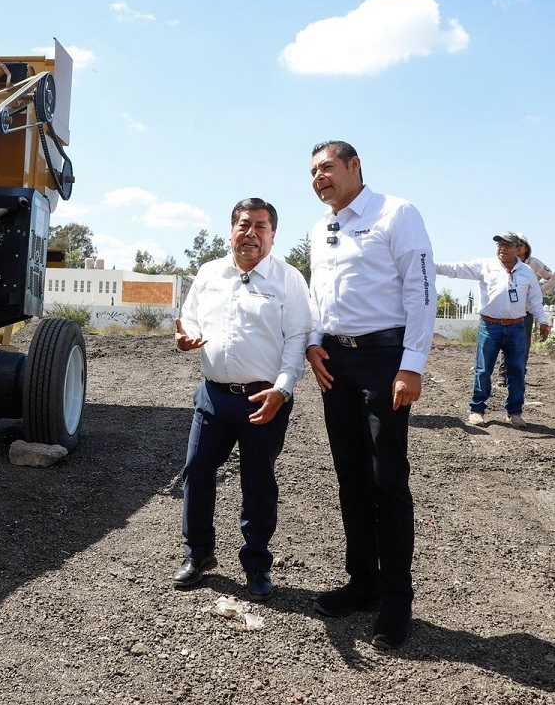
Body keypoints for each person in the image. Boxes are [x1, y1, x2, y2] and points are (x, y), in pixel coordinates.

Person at [305, 140, 435, 651]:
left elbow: (419, 290)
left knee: (387, 480)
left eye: (327, 168)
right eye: (313, 172)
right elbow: (319, 293)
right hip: (336, 361)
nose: (319, 178)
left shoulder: (397, 213)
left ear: (355, 166)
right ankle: (363, 583)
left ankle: (397, 598)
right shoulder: (321, 228)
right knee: (350, 477)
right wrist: (314, 345)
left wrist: (411, 365)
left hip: (385, 361)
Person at [171, 198, 310, 602]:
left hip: (263, 399)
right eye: (244, 225)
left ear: (272, 235)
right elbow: (191, 316)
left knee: (258, 483)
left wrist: (282, 391)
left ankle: (256, 566)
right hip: (213, 397)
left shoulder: (287, 279)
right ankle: (197, 555)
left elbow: (297, 339)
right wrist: (186, 336)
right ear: (231, 230)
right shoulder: (210, 272)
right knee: (196, 472)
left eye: (261, 227)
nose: (251, 233)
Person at [436, 232, 550, 428]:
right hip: (489, 326)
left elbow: (535, 301)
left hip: (516, 327)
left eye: (507, 245)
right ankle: (477, 410)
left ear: (518, 248)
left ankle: (514, 413)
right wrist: (428, 263)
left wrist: (542, 321)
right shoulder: (486, 265)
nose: (502, 248)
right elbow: (456, 269)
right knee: (483, 370)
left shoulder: (526, 272)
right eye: (499, 244)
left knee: (517, 371)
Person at [498, 233, 555, 381]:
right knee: (504, 344)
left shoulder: (534, 264)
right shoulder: (504, 262)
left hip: (525, 311)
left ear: (526, 248)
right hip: (508, 310)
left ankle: (519, 375)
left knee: (522, 346)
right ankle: (503, 375)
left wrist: (539, 291)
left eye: (519, 245)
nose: (516, 247)